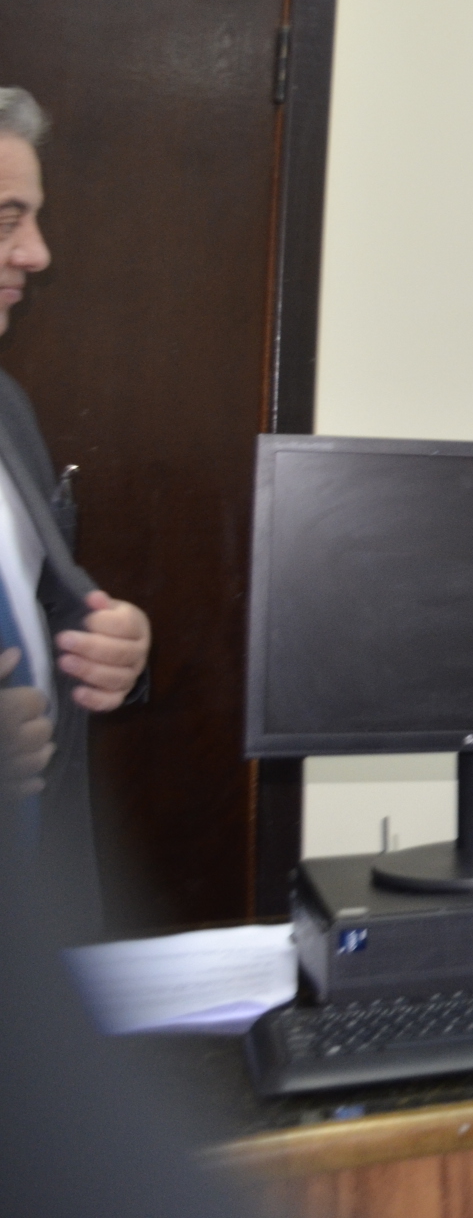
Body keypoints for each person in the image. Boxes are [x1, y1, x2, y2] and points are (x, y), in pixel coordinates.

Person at [0, 87, 154, 939]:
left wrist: (115, 641)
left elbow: (50, 604)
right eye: (5, 219)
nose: (37, 252)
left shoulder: (7, 409)